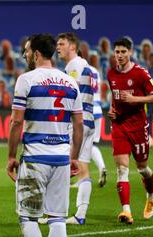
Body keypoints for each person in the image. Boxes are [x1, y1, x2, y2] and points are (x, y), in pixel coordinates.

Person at [6, 34, 83, 237]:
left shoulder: (26, 80)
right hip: (61, 158)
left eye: (27, 51)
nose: (26, 55)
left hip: (35, 158)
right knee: (57, 219)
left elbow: (17, 122)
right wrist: (73, 156)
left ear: (37, 53)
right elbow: (79, 124)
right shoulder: (69, 82)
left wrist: (10, 156)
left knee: (28, 217)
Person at [108, 38, 153, 223]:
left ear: (130, 53)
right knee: (121, 169)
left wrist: (135, 100)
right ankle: (126, 212)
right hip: (119, 126)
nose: (119, 55)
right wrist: (112, 110)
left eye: (123, 52)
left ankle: (151, 196)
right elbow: (115, 97)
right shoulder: (111, 74)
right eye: (117, 52)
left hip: (137, 127)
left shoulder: (140, 74)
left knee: (142, 168)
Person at [53, 33, 95, 225]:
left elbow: (71, 91)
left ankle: (56, 214)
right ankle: (80, 215)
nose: (58, 47)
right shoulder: (84, 64)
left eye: (61, 44)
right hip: (88, 119)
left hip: (77, 121)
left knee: (63, 166)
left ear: (72, 46)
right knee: (83, 169)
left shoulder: (74, 66)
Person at [90, 64, 108, 187]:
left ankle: (83, 177)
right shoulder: (95, 70)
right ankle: (102, 167)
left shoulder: (78, 69)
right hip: (98, 109)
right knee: (91, 144)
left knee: (78, 144)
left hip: (86, 111)